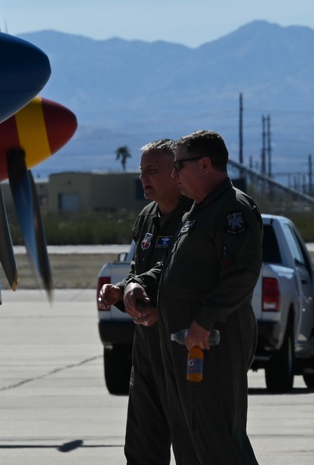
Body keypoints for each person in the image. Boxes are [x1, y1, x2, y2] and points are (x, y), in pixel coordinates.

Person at [145, 130, 262, 465]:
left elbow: (242, 274)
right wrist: (140, 286)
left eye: (179, 165)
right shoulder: (196, 213)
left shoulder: (231, 209)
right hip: (186, 346)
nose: (173, 174)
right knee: (189, 440)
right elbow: (176, 271)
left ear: (205, 164)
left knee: (218, 439)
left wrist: (203, 321)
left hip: (211, 345)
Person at [98, 139, 193, 464]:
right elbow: (141, 271)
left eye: (152, 170)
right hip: (147, 349)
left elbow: (185, 278)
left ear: (176, 172)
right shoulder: (147, 217)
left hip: (184, 346)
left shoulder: (196, 217)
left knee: (191, 445)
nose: (144, 178)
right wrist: (119, 291)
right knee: (141, 448)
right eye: (142, 171)